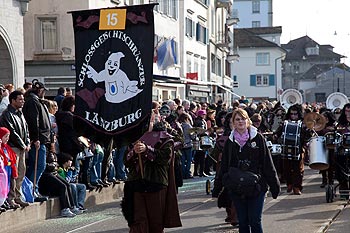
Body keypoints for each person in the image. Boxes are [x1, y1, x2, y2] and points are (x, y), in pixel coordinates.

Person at [218, 108, 280, 233]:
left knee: (255, 220)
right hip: (237, 187)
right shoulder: (230, 142)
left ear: (248, 121)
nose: (241, 122)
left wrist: (274, 186)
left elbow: (267, 163)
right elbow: (224, 166)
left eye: (243, 119)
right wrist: (218, 188)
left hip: (257, 186)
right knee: (243, 222)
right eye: (237, 119)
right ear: (233, 123)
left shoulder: (258, 138)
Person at [122, 112, 182, 233]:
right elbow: (126, 162)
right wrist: (133, 152)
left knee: (156, 221)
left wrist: (147, 149)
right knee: (138, 221)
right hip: (136, 183)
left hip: (156, 183)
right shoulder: (134, 138)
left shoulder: (165, 137)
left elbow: (164, 159)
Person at [0, 91, 31, 207]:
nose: (22, 101)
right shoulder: (7, 114)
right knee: (14, 173)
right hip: (13, 147)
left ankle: (18, 196)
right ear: (13, 100)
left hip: (22, 148)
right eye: (20, 99)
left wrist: (27, 142)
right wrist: (22, 144)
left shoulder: (20, 113)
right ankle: (11, 198)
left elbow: (26, 129)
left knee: (21, 172)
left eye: (23, 99)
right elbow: (11, 131)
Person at [22, 80, 51, 202]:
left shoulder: (36, 101)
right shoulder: (33, 101)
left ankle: (33, 189)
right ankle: (32, 190)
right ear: (39, 90)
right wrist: (36, 138)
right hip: (38, 140)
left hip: (42, 139)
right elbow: (34, 121)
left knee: (38, 165)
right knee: (38, 165)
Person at [274, 104, 311, 195]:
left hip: (298, 148)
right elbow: (277, 133)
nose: (293, 116)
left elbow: (308, 136)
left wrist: (306, 137)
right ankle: (289, 184)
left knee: (298, 169)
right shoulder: (285, 123)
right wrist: (275, 135)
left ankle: (297, 187)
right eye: (291, 114)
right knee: (286, 168)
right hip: (286, 148)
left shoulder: (302, 124)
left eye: (295, 114)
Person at [38, 151, 82, 217]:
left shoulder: (52, 152)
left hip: (53, 171)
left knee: (67, 185)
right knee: (63, 186)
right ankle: (64, 209)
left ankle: (73, 206)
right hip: (46, 173)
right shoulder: (43, 151)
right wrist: (52, 166)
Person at [0, 127, 20, 209]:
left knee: (7, 186)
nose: (7, 139)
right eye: (5, 136)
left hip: (8, 169)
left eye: (8, 136)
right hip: (2, 169)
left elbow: (12, 157)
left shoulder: (7, 147)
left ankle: (4, 200)